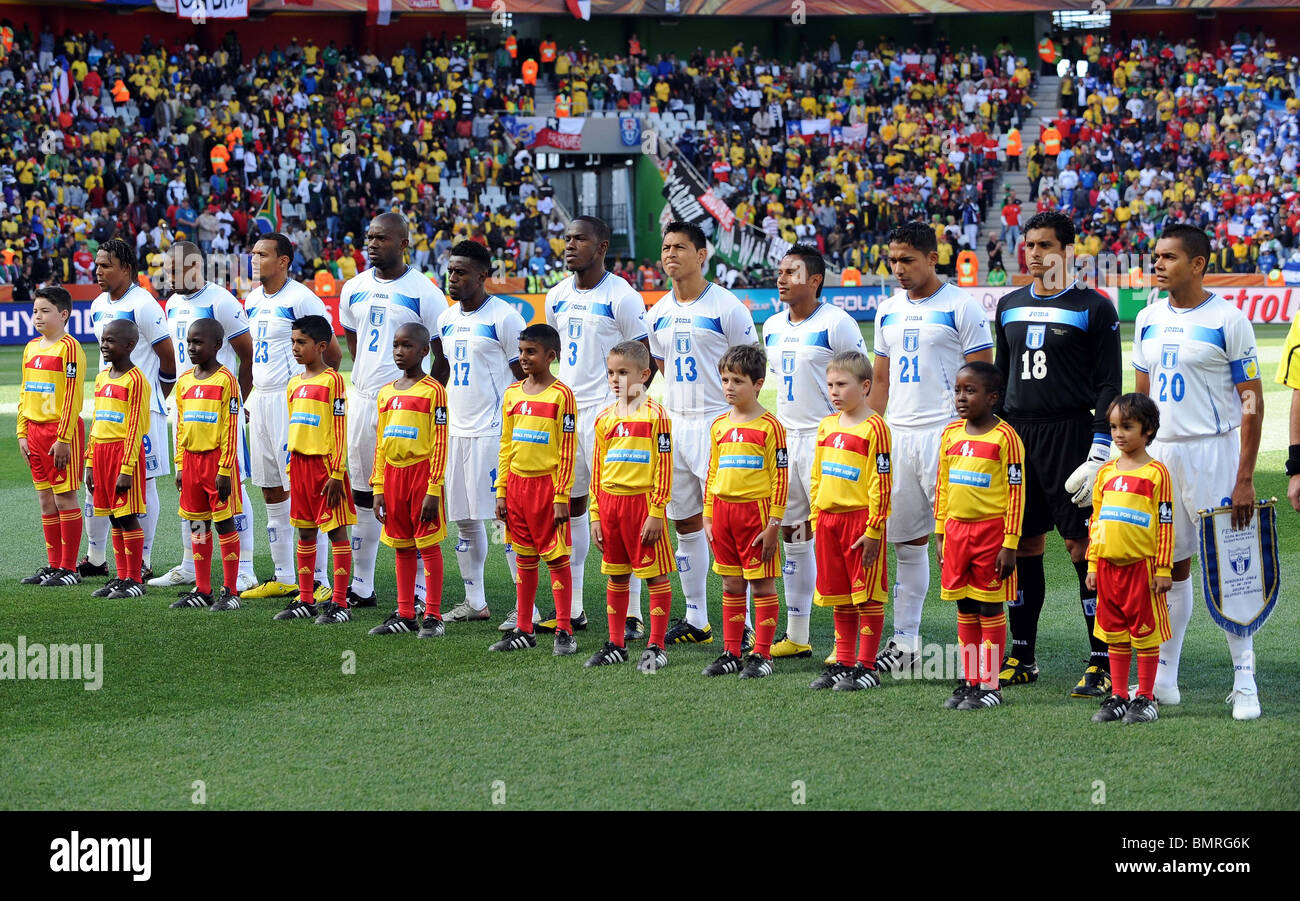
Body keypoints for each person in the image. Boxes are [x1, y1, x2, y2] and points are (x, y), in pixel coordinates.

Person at [1134, 225, 1264, 720]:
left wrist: (1246, 476)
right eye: (1156, 256)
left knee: (1233, 566)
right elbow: (1141, 402)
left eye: (1169, 257)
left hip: (1214, 452)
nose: (1158, 264)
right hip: (1162, 456)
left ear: (1198, 264)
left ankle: (1245, 678)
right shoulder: (1146, 318)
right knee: (1171, 564)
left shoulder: (1229, 320)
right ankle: (1166, 677)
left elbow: (1251, 402)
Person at [994, 210, 1121, 698]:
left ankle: (1102, 659)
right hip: (1018, 436)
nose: (1034, 254)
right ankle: (1022, 653)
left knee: (1081, 549)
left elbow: (1109, 382)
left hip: (1072, 435)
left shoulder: (1095, 306)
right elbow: (1001, 382)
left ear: (1068, 251)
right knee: (1023, 545)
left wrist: (1100, 444)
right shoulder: (1008, 304)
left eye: (1045, 245)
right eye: (1029, 245)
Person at [869, 222, 993, 673]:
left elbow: (984, 378)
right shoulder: (887, 310)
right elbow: (880, 379)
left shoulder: (961, 306)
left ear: (932, 258)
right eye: (893, 260)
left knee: (962, 543)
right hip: (898, 435)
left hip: (947, 436)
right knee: (906, 543)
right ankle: (906, 643)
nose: (898, 268)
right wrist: (872, 430)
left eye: (907, 260)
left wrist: (973, 438)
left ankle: (981, 652)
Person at [647, 221, 760, 647]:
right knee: (685, 522)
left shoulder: (727, 307)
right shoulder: (656, 311)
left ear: (702, 255)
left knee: (729, 524)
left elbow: (750, 366)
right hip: (675, 425)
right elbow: (659, 368)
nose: (671, 254)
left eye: (680, 247)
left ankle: (744, 621)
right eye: (666, 247)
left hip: (719, 424)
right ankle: (697, 618)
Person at [542, 216, 653, 640]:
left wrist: (629, 412)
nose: (570, 245)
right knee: (569, 508)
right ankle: (572, 608)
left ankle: (632, 612)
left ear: (602, 245)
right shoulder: (556, 296)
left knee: (620, 508)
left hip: (610, 415)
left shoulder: (621, 296)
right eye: (567, 238)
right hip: (569, 415)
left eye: (580, 239)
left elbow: (644, 361)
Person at [761, 245, 868, 660]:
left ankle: (856, 641)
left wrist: (856, 434)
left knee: (838, 533)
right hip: (786, 443)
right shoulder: (770, 326)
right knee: (793, 534)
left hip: (828, 442)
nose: (782, 278)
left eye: (792, 272)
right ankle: (797, 634)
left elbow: (861, 380)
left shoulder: (837, 323)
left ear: (815, 279)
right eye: (780, 271)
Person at [339, 213, 448, 609]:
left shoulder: (425, 293)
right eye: (368, 236)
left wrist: (422, 400)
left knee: (411, 497)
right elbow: (354, 341)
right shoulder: (354, 287)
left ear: (403, 243)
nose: (371, 243)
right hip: (366, 398)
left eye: (381, 238)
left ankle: (419, 593)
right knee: (364, 492)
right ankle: (363, 584)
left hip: (408, 407)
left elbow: (441, 354)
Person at [151, 242, 257, 594]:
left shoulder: (222, 301)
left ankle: (245, 568)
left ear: (196, 266)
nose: (169, 277)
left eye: (175, 269)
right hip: (187, 407)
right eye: (166, 270)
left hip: (220, 410)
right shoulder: (172, 303)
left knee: (234, 488)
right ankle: (188, 565)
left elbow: (247, 357)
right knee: (189, 492)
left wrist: (239, 402)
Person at [239, 233, 341, 603]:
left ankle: (317, 578)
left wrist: (310, 397)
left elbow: (330, 352)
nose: (254, 259)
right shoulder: (251, 299)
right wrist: (248, 395)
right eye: (252, 253)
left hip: (291, 401)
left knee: (303, 488)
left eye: (262, 254)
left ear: (283, 261)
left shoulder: (301, 298)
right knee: (270, 488)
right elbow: (250, 357)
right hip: (261, 402)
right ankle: (285, 575)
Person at [437, 240, 527, 624]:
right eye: (450, 271)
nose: (453, 278)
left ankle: (528, 608)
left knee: (502, 520)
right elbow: (441, 368)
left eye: (460, 272)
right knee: (463, 519)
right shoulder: (445, 319)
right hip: (456, 431)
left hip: (493, 433)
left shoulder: (504, 318)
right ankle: (475, 602)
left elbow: (526, 378)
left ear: (482, 276)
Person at [81, 238, 175, 584]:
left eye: (105, 265)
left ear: (126, 269)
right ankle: (97, 557)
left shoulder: (144, 305)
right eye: (97, 264)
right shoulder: (96, 305)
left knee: (143, 480)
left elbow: (168, 360)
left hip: (142, 409)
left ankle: (144, 560)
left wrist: (152, 399)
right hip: (109, 405)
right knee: (99, 481)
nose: (98, 271)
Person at [934, 362, 1025, 711]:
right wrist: (940, 530)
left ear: (992, 397)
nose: (961, 397)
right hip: (956, 532)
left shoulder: (1006, 438)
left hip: (991, 535)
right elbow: (942, 485)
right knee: (965, 605)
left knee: (989, 605)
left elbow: (1017, 495)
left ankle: (990, 684)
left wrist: (1010, 543)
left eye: (970, 391)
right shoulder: (950, 434)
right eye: (958, 390)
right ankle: (970, 679)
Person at [586, 341, 676, 671]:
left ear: (644, 374)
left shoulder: (656, 415)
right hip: (610, 507)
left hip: (643, 508)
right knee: (617, 575)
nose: (615, 379)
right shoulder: (604, 417)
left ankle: (656, 646)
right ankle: (615, 643)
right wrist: (595, 514)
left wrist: (656, 511)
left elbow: (664, 468)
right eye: (610, 372)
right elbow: (598, 469)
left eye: (623, 372)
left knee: (655, 577)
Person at [489, 324, 579, 656]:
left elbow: (568, 450)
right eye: (521, 351)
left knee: (556, 558)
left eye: (531, 352)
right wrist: (501, 491)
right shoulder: (512, 393)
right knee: (524, 557)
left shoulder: (562, 395)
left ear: (550, 356)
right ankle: (524, 628)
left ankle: (565, 631)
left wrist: (560, 496)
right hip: (516, 487)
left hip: (547, 489)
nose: (523, 357)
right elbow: (506, 444)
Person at [806, 351, 892, 692]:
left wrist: (874, 529)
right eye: (830, 385)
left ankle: (867, 666)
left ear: (865, 385)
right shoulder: (827, 425)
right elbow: (817, 474)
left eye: (842, 384)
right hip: (828, 521)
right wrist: (816, 516)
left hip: (860, 524)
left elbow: (881, 482)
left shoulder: (876, 428)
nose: (834, 391)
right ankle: (843, 662)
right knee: (840, 595)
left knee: (867, 595)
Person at [701, 344, 788, 679]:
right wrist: (708, 514)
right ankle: (731, 652)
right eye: (724, 379)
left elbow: (781, 477)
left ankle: (762, 654)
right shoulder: (719, 425)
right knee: (731, 585)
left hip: (756, 515)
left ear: (757, 384)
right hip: (722, 514)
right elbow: (712, 471)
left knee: (762, 585)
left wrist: (774, 524)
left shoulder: (770, 426)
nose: (728, 387)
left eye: (737, 380)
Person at [1086, 394, 1173, 725]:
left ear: (1148, 430)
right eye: (1113, 427)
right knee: (1116, 634)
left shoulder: (1156, 474)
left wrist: (1163, 569)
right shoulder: (1106, 472)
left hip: (1142, 569)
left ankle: (1146, 698)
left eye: (1127, 426)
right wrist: (1093, 564)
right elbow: (1096, 521)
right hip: (1108, 569)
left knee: (1145, 635)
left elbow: (1165, 524)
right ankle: (1120, 695)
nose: (1119, 434)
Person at [273, 315, 356, 625]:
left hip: (326, 467)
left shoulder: (332, 380)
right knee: (305, 531)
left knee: (335, 531)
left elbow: (338, 426)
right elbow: (295, 423)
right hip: (301, 466)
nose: (295, 348)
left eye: (301, 343)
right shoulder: (294, 383)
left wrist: (337, 471)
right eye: (293, 342)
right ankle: (306, 599)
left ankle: (340, 602)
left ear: (321, 346)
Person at [368, 323, 449, 639]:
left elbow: (440, 442)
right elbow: (381, 442)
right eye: (396, 345)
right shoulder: (387, 392)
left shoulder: (434, 391)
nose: (400, 352)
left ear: (424, 351)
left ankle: (433, 614)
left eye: (407, 346)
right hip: (392, 477)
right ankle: (405, 613)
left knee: (427, 544)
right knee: (401, 544)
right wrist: (378, 487)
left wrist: (433, 488)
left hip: (421, 475)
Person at [168, 318, 244, 612]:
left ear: (217, 345)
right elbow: (180, 425)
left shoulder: (227, 380)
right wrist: (179, 465)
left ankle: (231, 590)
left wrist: (225, 469)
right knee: (197, 523)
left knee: (224, 523)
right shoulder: (184, 380)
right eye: (188, 342)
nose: (191, 348)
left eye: (198, 342)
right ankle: (202, 588)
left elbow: (231, 426)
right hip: (191, 462)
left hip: (217, 464)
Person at [17, 286, 86, 587]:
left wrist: (63, 437)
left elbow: (72, 396)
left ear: (63, 314)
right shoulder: (31, 347)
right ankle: (53, 564)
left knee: (64, 497)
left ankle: (69, 568)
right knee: (45, 499)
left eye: (45, 311)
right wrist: (22, 431)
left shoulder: (69, 348)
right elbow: (25, 391)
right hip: (33, 431)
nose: (38, 316)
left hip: (60, 433)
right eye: (35, 311)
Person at [84, 319, 150, 599]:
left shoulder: (136, 380)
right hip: (101, 455)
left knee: (127, 516)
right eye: (103, 340)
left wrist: (126, 468)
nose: (104, 345)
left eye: (111, 341)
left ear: (130, 345)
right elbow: (96, 421)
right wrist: (89, 462)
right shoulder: (101, 378)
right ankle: (121, 576)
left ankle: (135, 579)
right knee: (113, 516)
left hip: (125, 455)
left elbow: (135, 427)